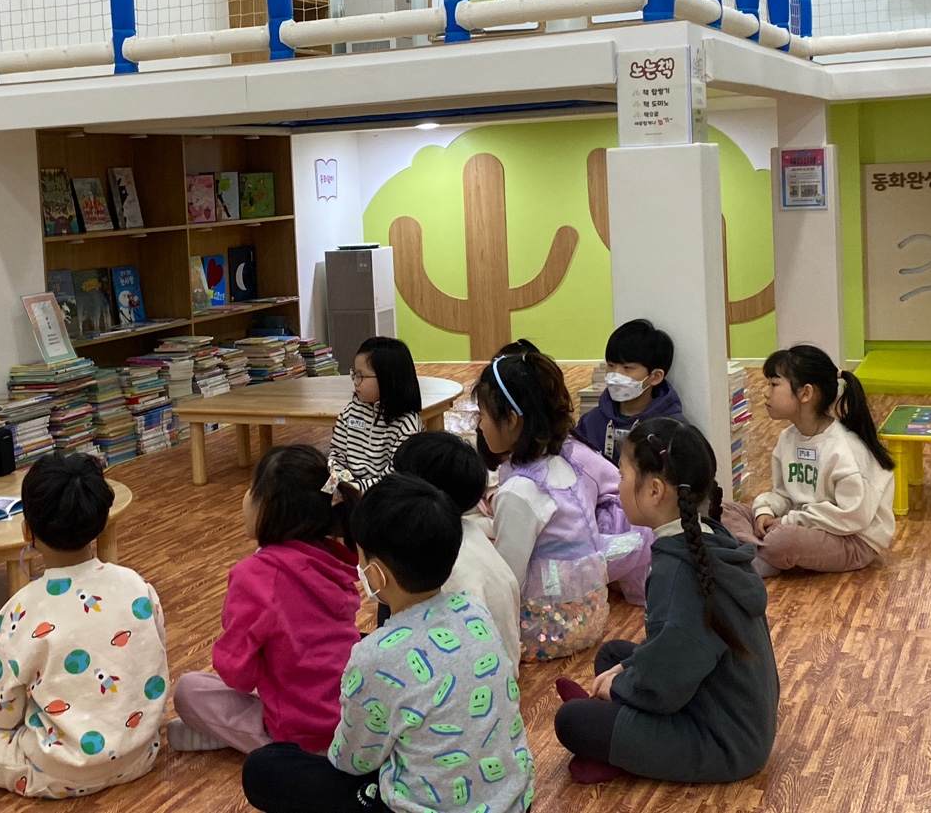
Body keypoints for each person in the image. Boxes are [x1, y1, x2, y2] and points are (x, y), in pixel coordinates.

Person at [243, 475, 536, 813]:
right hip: (514, 802)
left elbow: (351, 760)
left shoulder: (374, 657)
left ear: (376, 574)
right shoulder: (475, 610)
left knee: (263, 769)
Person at [0, 452, 168, 798]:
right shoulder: (137, 586)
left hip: (59, 768)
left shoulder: (21, 609)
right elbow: (151, 666)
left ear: (27, 530)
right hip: (141, 755)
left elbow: (2, 715)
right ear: (101, 521)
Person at [554, 418, 779, 785]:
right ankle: (621, 744)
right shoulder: (705, 536)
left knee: (572, 722)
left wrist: (621, 687)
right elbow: (674, 647)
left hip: (724, 742)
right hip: (729, 710)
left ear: (654, 490)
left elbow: (669, 678)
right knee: (612, 656)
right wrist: (625, 671)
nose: (618, 483)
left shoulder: (677, 570)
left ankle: (617, 753)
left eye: (622, 474)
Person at [170, 445, 361, 755]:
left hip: (301, 730)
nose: (245, 498)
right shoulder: (334, 561)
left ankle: (255, 741)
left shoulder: (256, 575)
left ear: (267, 504)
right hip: (353, 716)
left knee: (189, 690)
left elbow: (237, 675)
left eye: (250, 489)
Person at [475, 347, 652, 661]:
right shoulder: (566, 462)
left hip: (543, 630)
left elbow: (507, 580)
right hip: (589, 619)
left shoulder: (519, 490)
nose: (478, 425)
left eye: (483, 415)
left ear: (511, 420)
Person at [721, 345, 895, 577]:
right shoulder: (788, 438)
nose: (765, 393)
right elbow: (783, 494)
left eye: (774, 385)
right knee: (725, 510)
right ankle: (759, 553)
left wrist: (788, 521)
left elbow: (854, 516)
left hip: (851, 539)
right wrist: (765, 511)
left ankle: (755, 555)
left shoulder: (844, 449)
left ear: (805, 393)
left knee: (783, 539)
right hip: (802, 524)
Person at [391, 430, 522, 666]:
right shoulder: (468, 532)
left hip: (471, 674)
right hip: (499, 668)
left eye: (399, 478)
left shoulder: (440, 556)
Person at [573, 319, 687, 464]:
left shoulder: (674, 431)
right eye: (611, 365)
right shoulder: (591, 422)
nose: (615, 375)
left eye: (627, 368)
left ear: (655, 377)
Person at [329, 336, 422, 491]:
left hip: (382, 496)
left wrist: (355, 490)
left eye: (361, 376)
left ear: (388, 379)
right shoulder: (350, 412)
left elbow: (396, 476)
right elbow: (336, 456)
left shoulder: (407, 425)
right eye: (354, 374)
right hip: (347, 490)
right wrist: (340, 484)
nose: (355, 381)